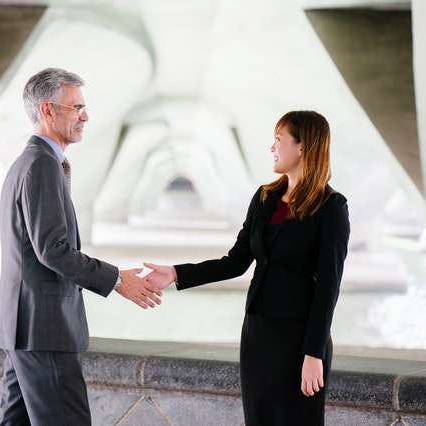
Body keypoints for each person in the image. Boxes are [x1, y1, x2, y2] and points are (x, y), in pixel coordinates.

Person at [144, 110, 350, 425]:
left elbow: (328, 286)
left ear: (303, 147)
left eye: (279, 140)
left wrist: (314, 353)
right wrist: (176, 273)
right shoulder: (265, 197)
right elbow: (236, 261)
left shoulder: (332, 208)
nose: (272, 148)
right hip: (258, 334)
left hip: (300, 339)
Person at [0, 67, 162, 425]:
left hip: (23, 327)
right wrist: (116, 279)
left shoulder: (27, 163)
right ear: (48, 111)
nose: (85, 115)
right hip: (44, 329)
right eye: (76, 107)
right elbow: (52, 249)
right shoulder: (42, 166)